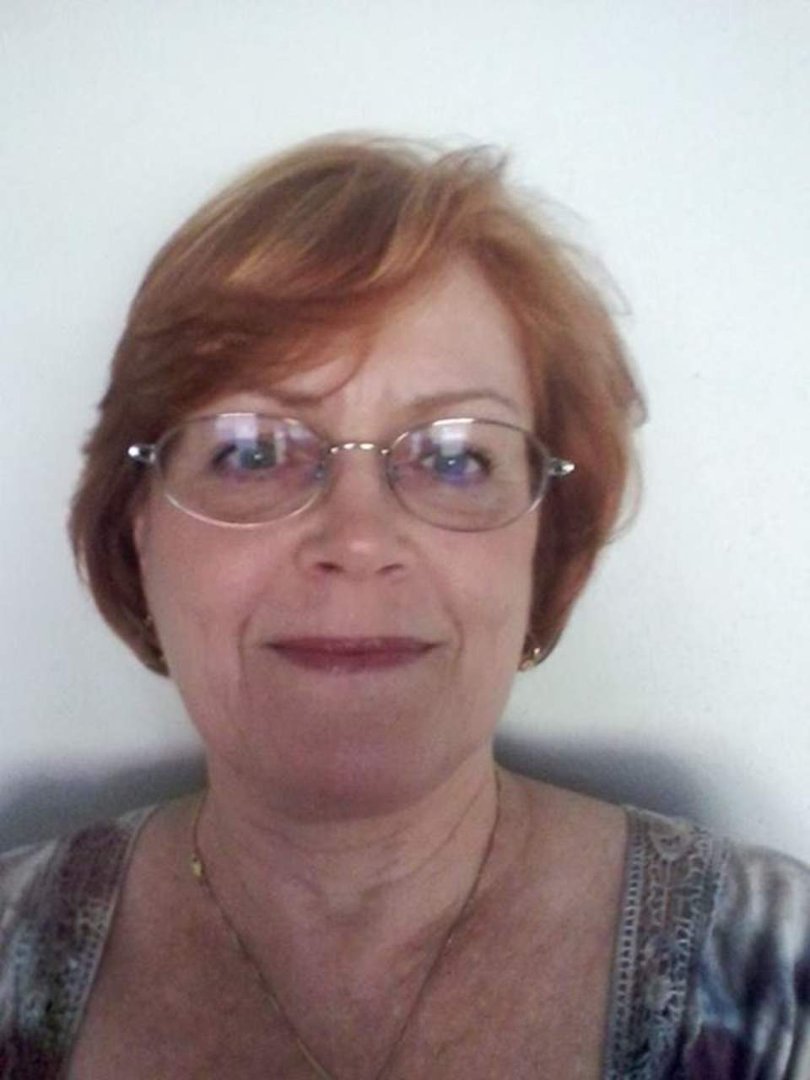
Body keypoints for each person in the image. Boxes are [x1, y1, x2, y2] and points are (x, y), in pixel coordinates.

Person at [1, 135, 808, 1080]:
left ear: (545, 541)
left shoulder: (778, 976)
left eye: (455, 457)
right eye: (253, 451)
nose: (358, 540)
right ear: (138, 528)